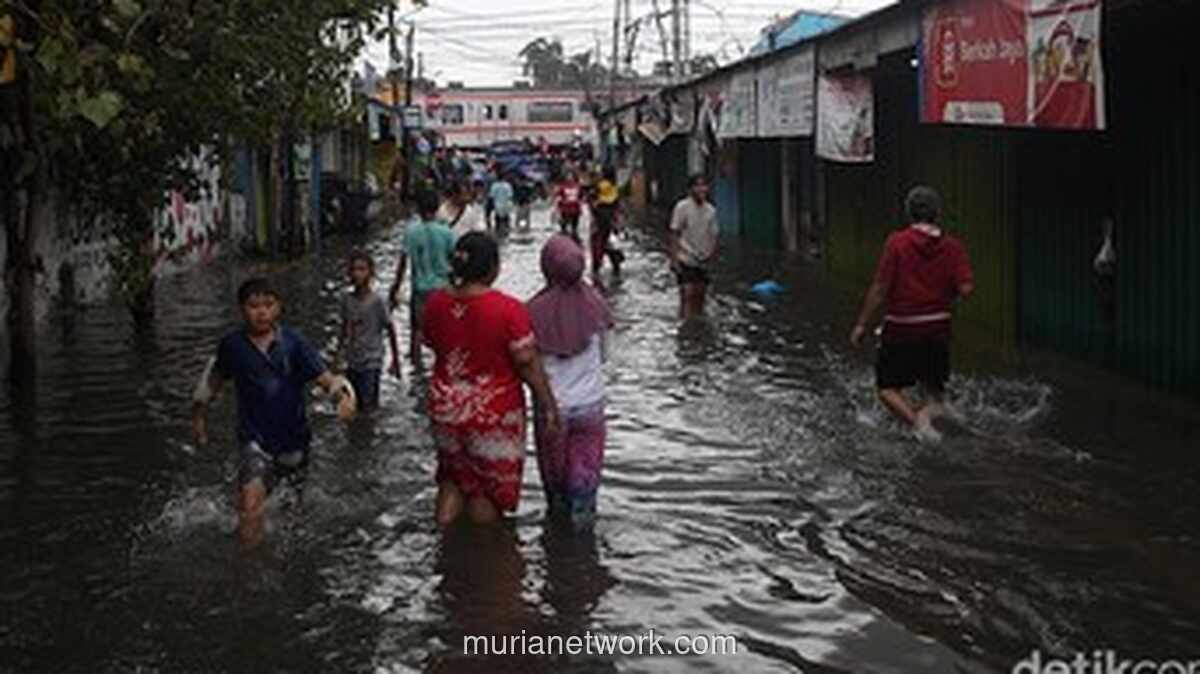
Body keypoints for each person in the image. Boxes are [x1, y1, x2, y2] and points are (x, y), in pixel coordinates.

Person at [191, 278, 356, 547]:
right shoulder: (232, 345)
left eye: (268, 305)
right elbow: (214, 379)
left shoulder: (293, 342)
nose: (262, 312)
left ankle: (284, 557)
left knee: (291, 513)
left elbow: (324, 377)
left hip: (294, 439)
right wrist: (198, 416)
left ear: (278, 307)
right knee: (250, 505)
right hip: (254, 438)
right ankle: (250, 563)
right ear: (241, 309)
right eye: (254, 306)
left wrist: (342, 397)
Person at [421, 232, 562, 527]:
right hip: (491, 414)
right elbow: (527, 363)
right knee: (487, 491)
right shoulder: (508, 309)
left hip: (445, 408)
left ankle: (444, 543)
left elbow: (431, 343)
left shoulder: (435, 303)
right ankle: (485, 552)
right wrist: (548, 404)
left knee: (451, 477)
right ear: (492, 268)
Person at [849, 185, 974, 444]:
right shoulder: (954, 246)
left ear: (909, 213)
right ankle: (935, 415)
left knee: (887, 388)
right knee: (933, 391)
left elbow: (880, 288)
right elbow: (966, 289)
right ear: (937, 213)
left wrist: (861, 325)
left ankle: (919, 425)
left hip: (902, 327)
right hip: (938, 328)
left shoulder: (897, 242)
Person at [527, 235, 613, 529]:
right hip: (590, 408)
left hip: (552, 411)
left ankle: (557, 547)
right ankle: (584, 547)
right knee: (584, 491)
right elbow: (604, 356)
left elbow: (528, 365)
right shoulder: (597, 304)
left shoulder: (531, 312)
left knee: (556, 492)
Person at [390, 189, 456, 368]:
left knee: (417, 331)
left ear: (418, 208)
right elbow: (455, 262)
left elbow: (403, 264)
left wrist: (395, 288)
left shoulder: (411, 232)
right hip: (443, 289)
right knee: (443, 332)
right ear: (436, 208)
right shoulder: (447, 232)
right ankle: (442, 367)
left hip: (420, 289)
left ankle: (416, 367)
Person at [339, 250, 402, 411]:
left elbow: (390, 328)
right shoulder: (347, 300)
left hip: (372, 360)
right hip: (353, 359)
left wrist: (395, 360)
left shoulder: (377, 301)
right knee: (353, 404)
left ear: (370, 273)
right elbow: (344, 329)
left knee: (369, 405)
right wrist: (337, 358)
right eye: (354, 269)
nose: (357, 274)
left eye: (362, 269)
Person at [668, 174, 719, 319]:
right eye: (698, 185)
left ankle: (697, 325)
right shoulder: (682, 207)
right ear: (690, 189)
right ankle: (684, 326)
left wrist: (712, 256)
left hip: (703, 258)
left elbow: (714, 235)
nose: (701, 189)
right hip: (685, 257)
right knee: (687, 294)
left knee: (700, 296)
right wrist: (674, 259)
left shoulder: (711, 210)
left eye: (704, 185)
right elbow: (674, 233)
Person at [589, 166, 624, 276]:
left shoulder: (598, 186)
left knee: (597, 249)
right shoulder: (614, 188)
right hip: (611, 223)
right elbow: (618, 207)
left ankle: (596, 271)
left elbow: (592, 202)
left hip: (599, 222)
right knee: (612, 246)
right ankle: (616, 266)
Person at [553, 171, 585, 240]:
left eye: (571, 176)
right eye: (568, 176)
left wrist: (581, 202)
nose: (569, 178)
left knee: (574, 224)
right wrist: (557, 204)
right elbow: (558, 196)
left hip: (575, 207)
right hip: (565, 207)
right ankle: (564, 236)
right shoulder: (562, 186)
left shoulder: (577, 186)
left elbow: (581, 195)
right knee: (564, 223)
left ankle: (574, 236)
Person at [488, 172, 515, 239]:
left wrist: (490, 207)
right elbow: (510, 196)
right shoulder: (507, 185)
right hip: (506, 205)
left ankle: (498, 234)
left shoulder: (494, 185)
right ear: (504, 177)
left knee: (498, 220)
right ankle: (507, 234)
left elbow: (491, 196)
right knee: (506, 220)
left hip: (497, 205)